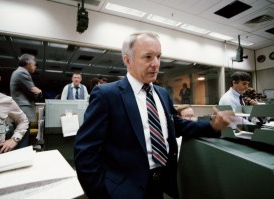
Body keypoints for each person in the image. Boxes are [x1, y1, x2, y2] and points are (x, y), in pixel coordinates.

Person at [74, 32, 231, 199]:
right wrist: (100, 194)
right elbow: (85, 151)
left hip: (163, 185)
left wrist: (212, 126)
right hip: (124, 189)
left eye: (158, 56)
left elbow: (175, 125)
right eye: (148, 57)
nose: (156, 64)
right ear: (128, 60)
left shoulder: (162, 94)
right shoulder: (107, 95)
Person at [10, 53, 42, 148]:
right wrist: (40, 91)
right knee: (22, 138)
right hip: (23, 110)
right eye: (34, 64)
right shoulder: (22, 73)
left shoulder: (19, 72)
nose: (35, 66)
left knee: (22, 136)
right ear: (28, 62)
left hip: (20, 109)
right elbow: (34, 93)